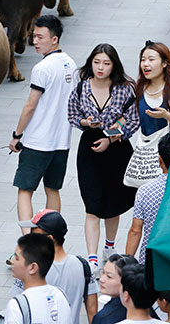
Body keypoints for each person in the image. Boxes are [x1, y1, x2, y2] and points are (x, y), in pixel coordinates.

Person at [67, 44, 139, 273]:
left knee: (113, 204)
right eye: (97, 62)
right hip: (89, 148)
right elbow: (71, 114)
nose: (101, 67)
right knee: (92, 206)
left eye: (106, 63)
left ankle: (109, 247)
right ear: (91, 62)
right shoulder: (81, 88)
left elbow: (133, 119)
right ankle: (92, 259)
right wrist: (86, 123)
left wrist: (111, 136)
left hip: (117, 149)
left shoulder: (125, 89)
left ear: (114, 65)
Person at [8, 15, 76, 245]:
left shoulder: (42, 68)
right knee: (52, 189)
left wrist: (17, 135)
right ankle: (51, 240)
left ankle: (28, 243)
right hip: (61, 141)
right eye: (33, 36)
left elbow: (31, 105)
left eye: (40, 37)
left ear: (54, 39)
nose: (35, 41)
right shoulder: (70, 63)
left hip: (38, 141)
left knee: (25, 191)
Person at [14, 210, 99, 324]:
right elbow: (93, 312)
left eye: (35, 235)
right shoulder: (84, 267)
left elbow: (18, 310)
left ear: (49, 238)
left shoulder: (30, 268)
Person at [126, 133, 170, 264]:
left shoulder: (145, 191)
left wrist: (125, 265)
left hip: (151, 260)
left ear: (160, 160)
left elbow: (135, 231)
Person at [4, 233, 71, 323]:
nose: (12, 261)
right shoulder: (60, 296)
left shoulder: (17, 306)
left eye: (16, 258)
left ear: (32, 268)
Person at [135, 42, 170, 147]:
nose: (145, 64)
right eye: (143, 60)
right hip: (145, 150)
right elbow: (134, 117)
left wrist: (166, 116)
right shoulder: (140, 88)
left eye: (151, 59)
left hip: (169, 152)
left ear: (164, 63)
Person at [93, 254, 139, 324]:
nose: (101, 279)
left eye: (109, 276)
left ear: (126, 280)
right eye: (103, 273)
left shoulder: (105, 318)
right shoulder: (146, 309)